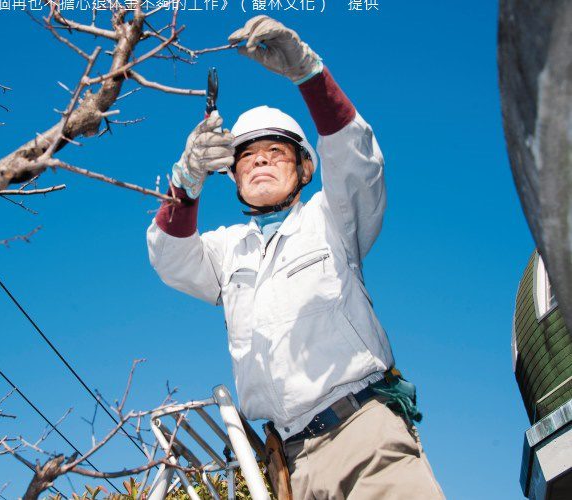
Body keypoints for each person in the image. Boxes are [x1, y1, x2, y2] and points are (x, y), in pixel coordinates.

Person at [146, 15, 445, 499]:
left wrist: (307, 73)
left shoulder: (332, 217)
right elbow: (169, 257)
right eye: (247, 156)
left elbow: (358, 159)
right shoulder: (227, 251)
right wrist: (187, 179)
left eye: (275, 151)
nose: (260, 159)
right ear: (234, 176)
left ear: (306, 168)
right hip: (293, 470)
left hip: (364, 435)